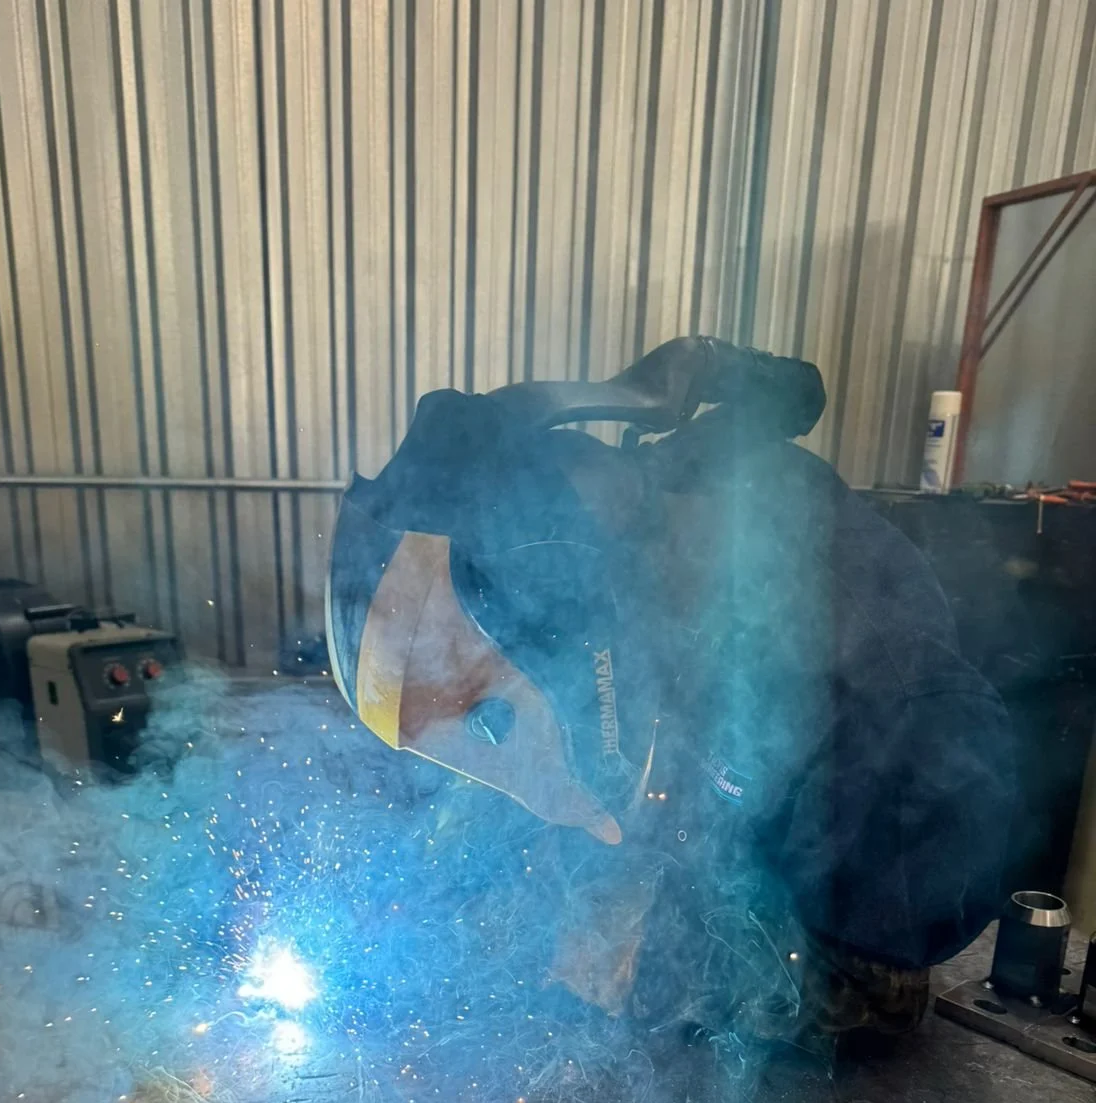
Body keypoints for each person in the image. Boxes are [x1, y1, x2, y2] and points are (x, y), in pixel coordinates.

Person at [325, 338, 1014, 1042]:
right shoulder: (660, 518)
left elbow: (865, 979)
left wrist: (646, 971)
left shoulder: (878, 700)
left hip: (857, 916)